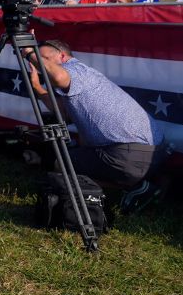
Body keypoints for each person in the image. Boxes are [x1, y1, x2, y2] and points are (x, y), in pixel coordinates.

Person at [25, 40, 164, 190]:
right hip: (152, 153)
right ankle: (145, 181)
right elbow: (64, 114)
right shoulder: (83, 75)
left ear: (62, 56)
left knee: (60, 166)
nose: (39, 65)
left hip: (127, 155)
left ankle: (134, 186)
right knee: (75, 156)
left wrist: (29, 53)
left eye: (43, 59)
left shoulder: (75, 71)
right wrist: (38, 88)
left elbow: (59, 77)